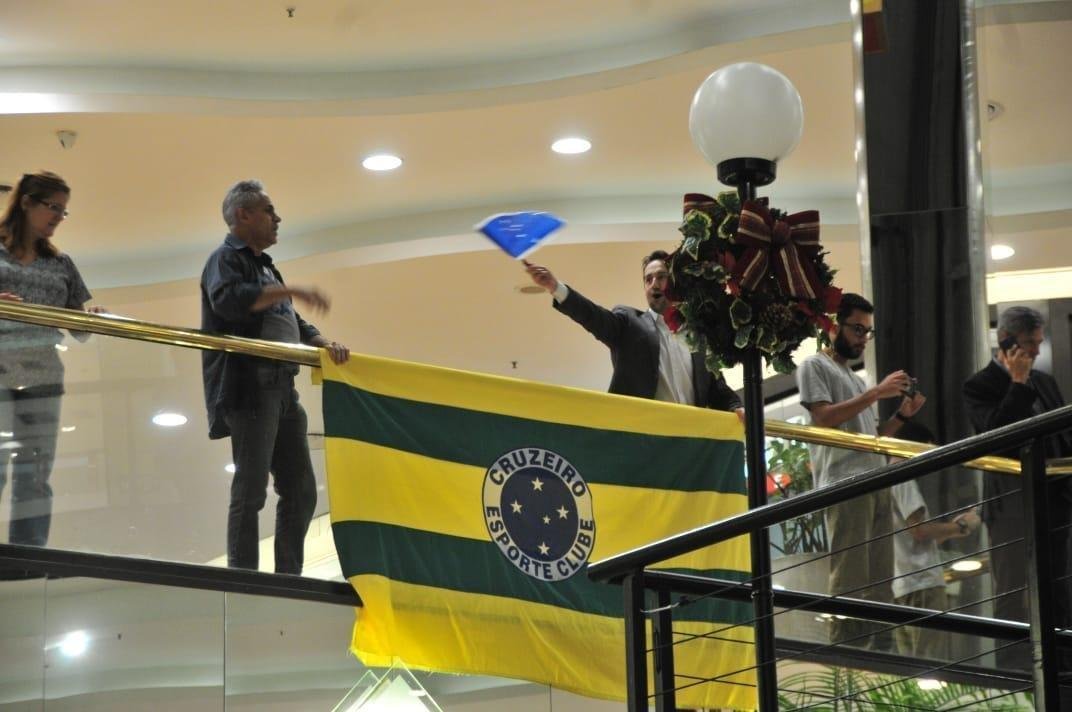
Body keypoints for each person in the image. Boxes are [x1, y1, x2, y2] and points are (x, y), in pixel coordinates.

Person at [201, 179, 349, 575]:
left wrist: (322, 342)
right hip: (250, 388)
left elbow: (289, 317)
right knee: (250, 491)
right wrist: (292, 289)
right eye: (268, 210)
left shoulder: (265, 266)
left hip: (283, 387)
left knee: (300, 491)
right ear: (242, 215)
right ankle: (244, 579)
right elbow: (231, 302)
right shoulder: (223, 259)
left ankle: (289, 577)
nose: (277, 218)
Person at [794, 292, 925, 647]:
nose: (863, 338)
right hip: (844, 484)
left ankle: (881, 668)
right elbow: (823, 419)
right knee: (850, 582)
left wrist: (901, 415)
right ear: (832, 325)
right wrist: (876, 393)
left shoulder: (853, 378)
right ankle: (846, 665)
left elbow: (873, 439)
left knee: (881, 584)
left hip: (874, 481)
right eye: (856, 329)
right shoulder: (814, 366)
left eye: (868, 331)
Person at [962, 306, 1072, 660]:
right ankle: (1012, 671)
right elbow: (997, 437)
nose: (1037, 351)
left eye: (1039, 342)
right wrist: (1019, 384)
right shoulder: (979, 385)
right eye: (1029, 343)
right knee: (1012, 590)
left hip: (1056, 498)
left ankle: (1063, 667)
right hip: (1011, 504)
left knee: (1059, 587)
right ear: (1006, 340)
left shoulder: (1046, 381)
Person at [0, 171, 104, 546]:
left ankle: (26, 563)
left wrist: (92, 319)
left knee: (35, 474)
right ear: (26, 202)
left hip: (43, 375)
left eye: (64, 211)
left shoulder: (62, 264)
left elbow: (79, 328)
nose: (59, 216)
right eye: (53, 207)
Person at [524, 251, 743, 416]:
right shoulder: (629, 324)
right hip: (644, 443)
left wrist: (737, 407)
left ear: (676, 282)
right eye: (648, 280)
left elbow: (717, 388)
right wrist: (555, 287)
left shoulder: (699, 336)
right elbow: (592, 315)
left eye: (661, 277)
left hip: (691, 446)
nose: (653, 285)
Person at [889, 421, 980, 660]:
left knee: (910, 665)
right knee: (930, 661)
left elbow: (914, 538)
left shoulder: (885, 480)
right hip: (922, 583)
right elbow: (919, 531)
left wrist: (953, 529)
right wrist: (961, 526)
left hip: (902, 585)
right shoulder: (902, 479)